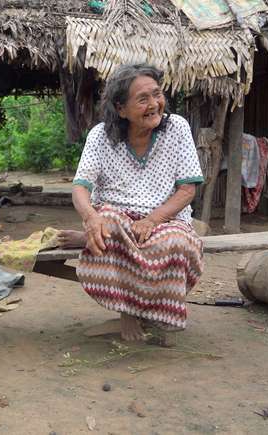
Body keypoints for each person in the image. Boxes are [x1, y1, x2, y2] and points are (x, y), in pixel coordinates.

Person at [67, 63, 205, 343]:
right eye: (143, 99)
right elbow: (81, 187)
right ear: (121, 109)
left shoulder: (177, 128)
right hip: (116, 215)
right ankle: (127, 310)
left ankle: (159, 312)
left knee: (175, 244)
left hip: (165, 218)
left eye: (157, 94)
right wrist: (91, 218)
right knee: (107, 227)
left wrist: (153, 220)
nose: (155, 104)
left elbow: (187, 189)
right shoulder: (100, 136)